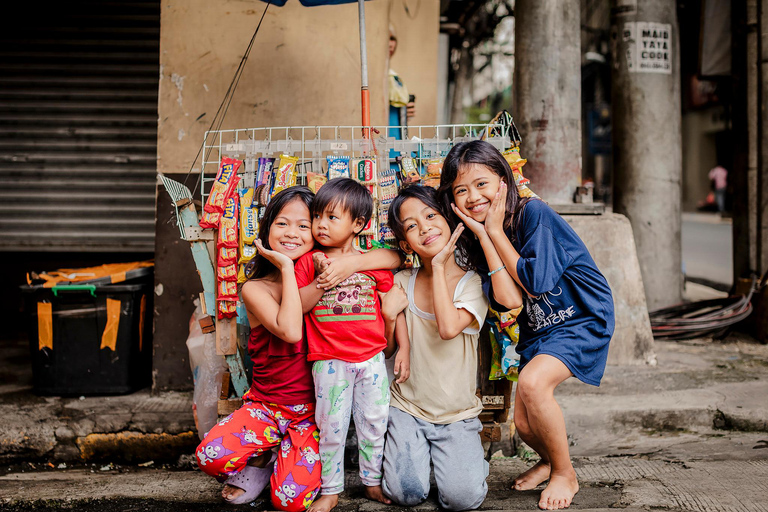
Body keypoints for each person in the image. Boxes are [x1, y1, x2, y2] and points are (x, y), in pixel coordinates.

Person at [195, 187, 401, 510]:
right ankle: (262, 461)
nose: (293, 233)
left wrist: (345, 267)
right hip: (266, 406)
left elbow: (390, 257)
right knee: (208, 455)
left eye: (304, 226)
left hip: (308, 416)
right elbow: (291, 329)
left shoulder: (321, 265)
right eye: (282, 224)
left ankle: (280, 461)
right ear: (267, 229)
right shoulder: (255, 289)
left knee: (288, 500)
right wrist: (291, 270)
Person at [438, 140, 615, 511]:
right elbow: (509, 301)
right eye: (461, 190)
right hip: (542, 327)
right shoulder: (475, 240)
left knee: (534, 385)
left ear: (504, 181)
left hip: (582, 316)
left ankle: (566, 473)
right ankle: (550, 460)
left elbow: (536, 281)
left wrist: (497, 232)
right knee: (524, 421)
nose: (473, 196)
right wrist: (486, 236)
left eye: (482, 184)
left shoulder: (533, 213)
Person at [380, 185, 495, 511]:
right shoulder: (402, 281)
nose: (425, 227)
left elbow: (447, 329)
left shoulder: (472, 284)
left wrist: (441, 264)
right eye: (412, 225)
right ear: (405, 243)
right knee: (406, 495)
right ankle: (425, 458)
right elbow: (388, 351)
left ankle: (467, 464)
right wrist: (389, 318)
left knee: (463, 500)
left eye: (431, 216)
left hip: (456, 415)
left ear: (448, 220)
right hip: (408, 410)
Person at [295, 178, 406, 512]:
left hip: (372, 360)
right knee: (331, 428)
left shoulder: (371, 262)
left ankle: (371, 482)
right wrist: (319, 279)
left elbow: (393, 301)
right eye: (317, 217)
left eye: (331, 217)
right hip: (329, 362)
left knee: (374, 424)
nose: (320, 225)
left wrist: (405, 348)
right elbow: (298, 305)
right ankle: (330, 490)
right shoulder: (308, 262)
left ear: (359, 224)